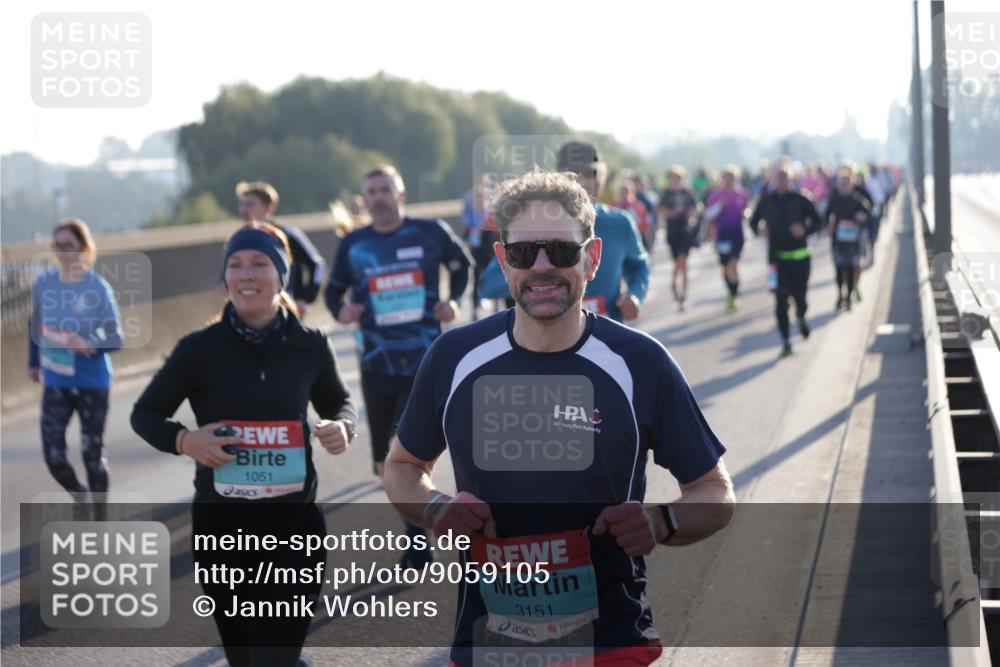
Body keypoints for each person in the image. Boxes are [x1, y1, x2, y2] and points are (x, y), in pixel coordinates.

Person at [383, 168, 734, 667]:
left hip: (611, 641)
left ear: (591, 258)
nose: (542, 267)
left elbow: (715, 491)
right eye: (525, 253)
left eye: (562, 251)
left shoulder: (642, 363)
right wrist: (434, 506)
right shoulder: (453, 356)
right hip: (490, 642)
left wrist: (662, 521)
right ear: (503, 261)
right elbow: (401, 467)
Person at [131, 223, 355, 667]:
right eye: (235, 264)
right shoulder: (198, 349)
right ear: (224, 278)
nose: (246, 273)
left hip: (295, 529)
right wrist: (184, 440)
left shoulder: (309, 345)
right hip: (221, 529)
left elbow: (340, 403)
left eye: (259, 263)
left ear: (282, 276)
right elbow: (145, 413)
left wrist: (342, 427)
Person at [29, 219, 123, 508]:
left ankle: (100, 519)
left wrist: (90, 346)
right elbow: (36, 324)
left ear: (83, 249)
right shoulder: (44, 283)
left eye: (67, 246)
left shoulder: (97, 287)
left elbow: (115, 337)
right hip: (57, 380)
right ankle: (80, 495)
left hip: (92, 382)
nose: (61, 252)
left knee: (91, 455)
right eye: (56, 245)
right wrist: (34, 362)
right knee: (54, 456)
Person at [556, 140, 650, 322]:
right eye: (572, 174)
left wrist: (635, 295)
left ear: (602, 175)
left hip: (608, 334)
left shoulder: (620, 222)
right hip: (550, 342)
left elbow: (639, 265)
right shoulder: (539, 225)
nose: (581, 181)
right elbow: (495, 280)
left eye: (589, 174)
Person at [750, 165, 824, 357]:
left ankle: (801, 316)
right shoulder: (766, 201)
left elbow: (819, 222)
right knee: (780, 302)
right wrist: (759, 230)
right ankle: (785, 341)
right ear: (774, 179)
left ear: (791, 179)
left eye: (785, 178)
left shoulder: (802, 199)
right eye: (778, 178)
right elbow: (753, 221)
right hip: (777, 260)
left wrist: (805, 230)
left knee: (800, 298)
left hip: (800, 258)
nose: (781, 181)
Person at [236, 181, 327, 319]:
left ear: (269, 208)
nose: (244, 210)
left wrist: (305, 298)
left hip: (286, 311)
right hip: (253, 313)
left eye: (250, 204)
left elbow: (317, 264)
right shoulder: (239, 239)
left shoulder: (287, 234)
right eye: (242, 204)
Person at [704, 166, 750, 312]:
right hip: (722, 236)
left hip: (737, 235)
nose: (729, 180)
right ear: (722, 179)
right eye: (727, 177)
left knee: (733, 264)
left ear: (736, 178)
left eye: (732, 177)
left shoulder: (741, 194)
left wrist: (746, 214)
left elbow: (748, 209)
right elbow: (708, 215)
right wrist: (720, 206)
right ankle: (731, 293)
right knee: (726, 268)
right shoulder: (717, 195)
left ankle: (734, 295)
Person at [826, 166, 871, 310]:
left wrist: (862, 218)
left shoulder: (858, 199)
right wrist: (829, 225)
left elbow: (869, 214)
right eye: (841, 182)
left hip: (854, 241)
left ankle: (850, 295)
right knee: (839, 270)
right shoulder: (834, 199)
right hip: (838, 241)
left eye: (847, 181)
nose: (844, 185)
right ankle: (840, 294)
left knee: (852, 268)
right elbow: (825, 216)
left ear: (852, 182)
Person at [658, 166, 697, 310]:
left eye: (677, 178)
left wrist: (692, 213)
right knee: (677, 263)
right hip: (672, 231)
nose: (674, 181)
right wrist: (671, 213)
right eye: (672, 178)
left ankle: (683, 296)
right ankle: (674, 280)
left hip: (685, 231)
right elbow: (661, 212)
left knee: (684, 262)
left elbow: (695, 207)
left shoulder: (686, 193)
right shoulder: (666, 194)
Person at [461, 174, 497, 320]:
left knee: (492, 278)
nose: (479, 202)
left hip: (489, 252)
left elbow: (495, 233)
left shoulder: (490, 216)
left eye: (481, 199)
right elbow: (465, 235)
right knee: (475, 279)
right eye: (477, 199)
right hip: (476, 253)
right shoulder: (471, 216)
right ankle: (475, 307)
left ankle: (496, 306)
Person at [614, 180, 654, 253]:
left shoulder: (638, 205)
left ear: (632, 192)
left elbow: (645, 223)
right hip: (620, 238)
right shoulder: (615, 205)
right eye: (622, 191)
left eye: (626, 191)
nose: (624, 193)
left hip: (636, 237)